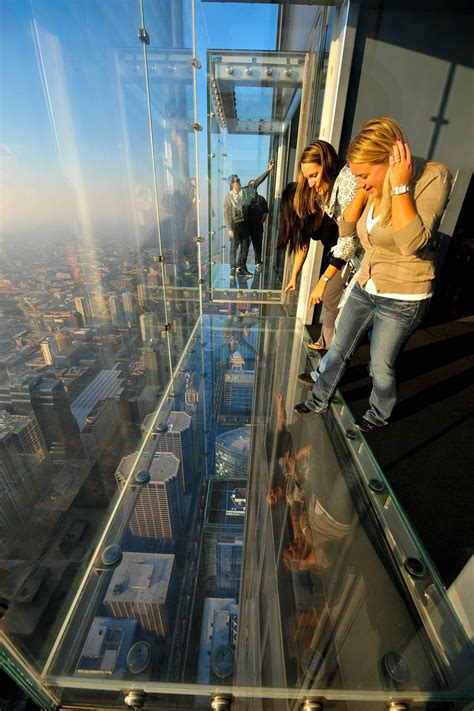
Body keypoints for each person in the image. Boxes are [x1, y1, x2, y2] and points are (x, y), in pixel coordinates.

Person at [295, 117, 452, 431]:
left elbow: (411, 243)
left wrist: (401, 186)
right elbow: (347, 227)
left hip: (405, 294)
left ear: (390, 160)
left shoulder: (433, 177)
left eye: (365, 175)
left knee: (380, 364)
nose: (361, 182)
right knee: (339, 347)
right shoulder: (372, 188)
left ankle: (378, 414)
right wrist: (367, 190)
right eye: (357, 175)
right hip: (368, 282)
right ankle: (317, 399)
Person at [281, 141, 358, 350]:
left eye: (314, 175)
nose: (312, 184)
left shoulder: (341, 188)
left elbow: (349, 240)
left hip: (348, 256)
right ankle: (328, 344)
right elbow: (302, 247)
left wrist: (323, 280)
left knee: (332, 300)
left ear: (327, 163)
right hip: (342, 256)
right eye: (308, 179)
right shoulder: (323, 199)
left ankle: (330, 347)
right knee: (333, 301)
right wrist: (294, 276)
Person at [224, 159, 275, 278]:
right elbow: (226, 214)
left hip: (244, 225)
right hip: (235, 225)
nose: (239, 182)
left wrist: (269, 170)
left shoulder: (246, 191)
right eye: (237, 181)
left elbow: (258, 181)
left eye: (239, 180)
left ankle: (242, 267)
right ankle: (232, 268)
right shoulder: (229, 197)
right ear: (232, 183)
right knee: (234, 248)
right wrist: (229, 228)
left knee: (245, 248)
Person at [246, 182, 269, 272]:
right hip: (247, 228)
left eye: (254, 185)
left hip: (257, 227)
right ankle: (242, 265)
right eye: (251, 185)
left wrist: (260, 222)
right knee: (245, 246)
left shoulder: (261, 199)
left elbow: (265, 213)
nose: (253, 187)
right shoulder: (246, 198)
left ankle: (258, 263)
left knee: (257, 246)